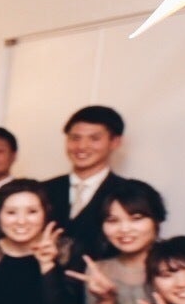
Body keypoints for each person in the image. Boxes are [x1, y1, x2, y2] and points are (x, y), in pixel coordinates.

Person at [42, 106, 129, 259]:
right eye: (75, 138)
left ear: (115, 142)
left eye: (94, 138)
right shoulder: (42, 190)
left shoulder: (129, 193)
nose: (81, 146)